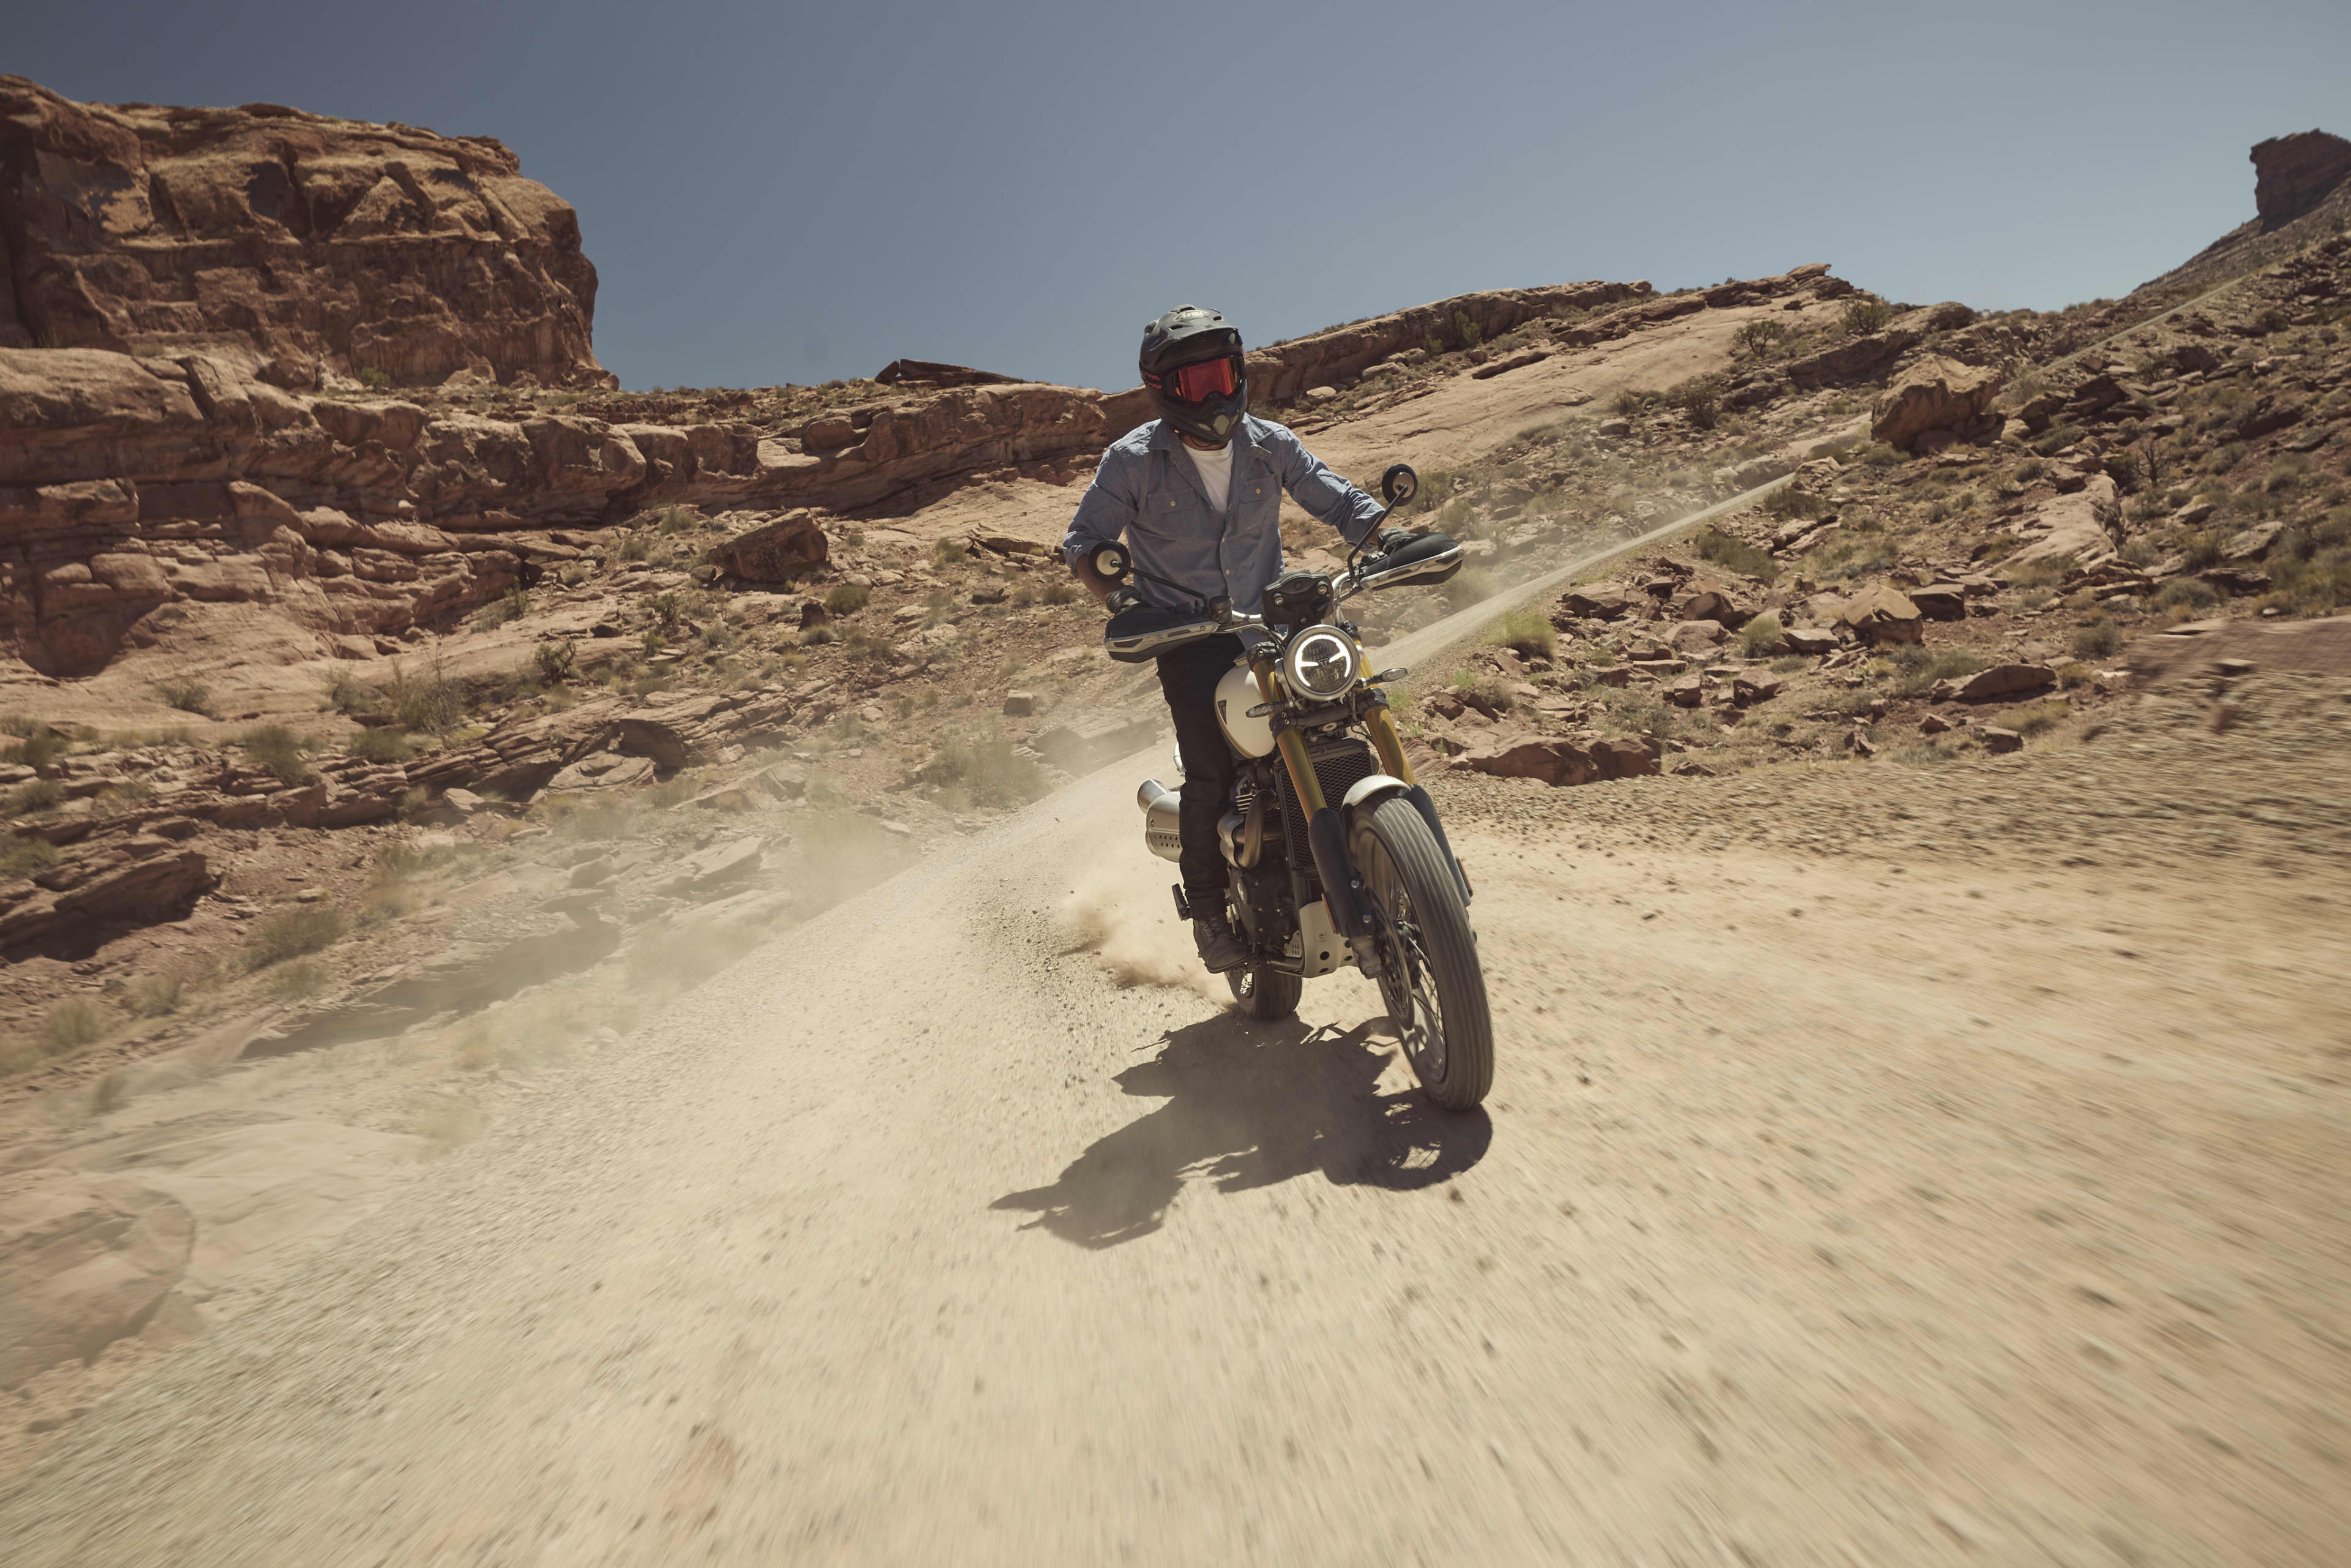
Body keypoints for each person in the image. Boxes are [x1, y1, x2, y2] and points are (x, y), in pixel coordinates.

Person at [1063, 304, 1403, 974]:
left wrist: (1385, 537)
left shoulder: (1270, 444)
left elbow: (1338, 500)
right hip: (1189, 636)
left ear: (1240, 372)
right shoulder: (1131, 461)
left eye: (1221, 376)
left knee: (1348, 711)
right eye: (1195, 383)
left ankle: (1394, 856)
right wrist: (1119, 596)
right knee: (1210, 770)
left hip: (1275, 626)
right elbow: (1085, 541)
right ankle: (1210, 913)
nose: (1213, 396)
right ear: (1164, 390)